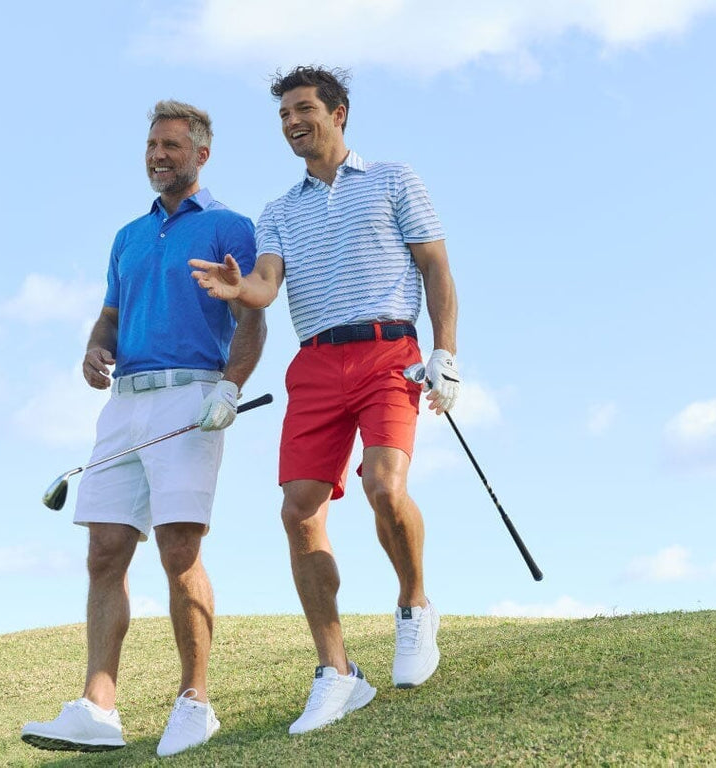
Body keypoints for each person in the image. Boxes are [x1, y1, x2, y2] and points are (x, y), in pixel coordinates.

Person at [190, 66, 460, 735]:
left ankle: (414, 605)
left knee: (383, 485)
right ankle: (337, 670)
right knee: (298, 510)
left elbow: (435, 266)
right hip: (314, 362)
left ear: (339, 113)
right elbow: (265, 287)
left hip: (388, 351)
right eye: (283, 115)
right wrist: (237, 287)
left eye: (303, 109)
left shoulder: (395, 179)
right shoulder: (277, 210)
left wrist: (445, 353)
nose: (291, 123)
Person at [22, 100, 265, 757]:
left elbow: (252, 318)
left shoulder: (229, 227)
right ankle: (98, 707)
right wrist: (94, 348)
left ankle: (195, 702)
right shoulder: (128, 236)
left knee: (179, 547)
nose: (160, 156)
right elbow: (109, 316)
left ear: (201, 155)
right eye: (153, 145)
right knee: (104, 549)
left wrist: (229, 388)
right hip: (124, 403)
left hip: (190, 397)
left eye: (173, 146)